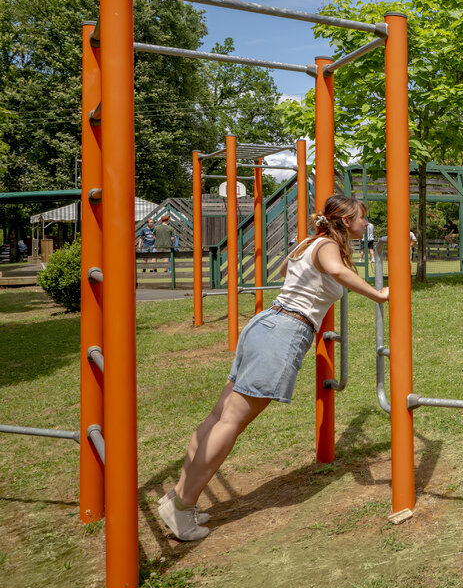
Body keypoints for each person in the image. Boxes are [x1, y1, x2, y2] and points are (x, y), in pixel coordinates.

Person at [157, 194, 389, 541]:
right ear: (344, 222)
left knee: (218, 416)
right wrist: (379, 295)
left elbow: (285, 271)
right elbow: (338, 272)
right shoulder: (326, 245)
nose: (364, 224)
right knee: (232, 422)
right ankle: (183, 506)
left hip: (266, 324)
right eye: (360, 218)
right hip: (285, 332)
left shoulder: (309, 243)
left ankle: (178, 497)